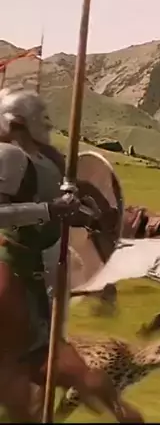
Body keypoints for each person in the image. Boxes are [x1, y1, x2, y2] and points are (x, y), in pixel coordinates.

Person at [0, 88, 81, 353]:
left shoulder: (45, 159)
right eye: (40, 116)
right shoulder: (9, 156)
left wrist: (81, 211)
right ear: (17, 122)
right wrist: (50, 209)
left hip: (42, 262)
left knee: (45, 343)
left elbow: (58, 208)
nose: (48, 124)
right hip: (14, 261)